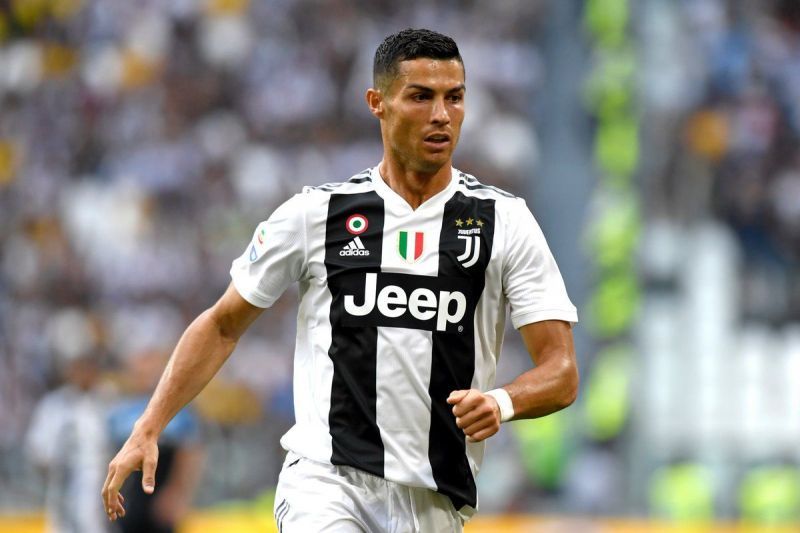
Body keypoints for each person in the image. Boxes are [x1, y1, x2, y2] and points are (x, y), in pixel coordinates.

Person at [102, 28, 579, 532]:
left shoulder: (503, 221)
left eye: (454, 97)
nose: (441, 114)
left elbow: (562, 370)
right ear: (378, 103)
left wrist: (502, 402)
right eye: (421, 96)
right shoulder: (317, 214)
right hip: (326, 482)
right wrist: (149, 425)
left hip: (435, 499)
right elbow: (223, 325)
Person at [107, 348, 204, 533]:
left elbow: (189, 455)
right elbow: (111, 454)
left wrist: (177, 493)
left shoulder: (178, 412)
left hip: (161, 494)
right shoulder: (120, 412)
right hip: (128, 496)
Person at [27, 350, 111, 533]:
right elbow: (38, 449)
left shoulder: (105, 402)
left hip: (99, 485)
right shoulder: (53, 405)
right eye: (79, 368)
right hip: (61, 482)